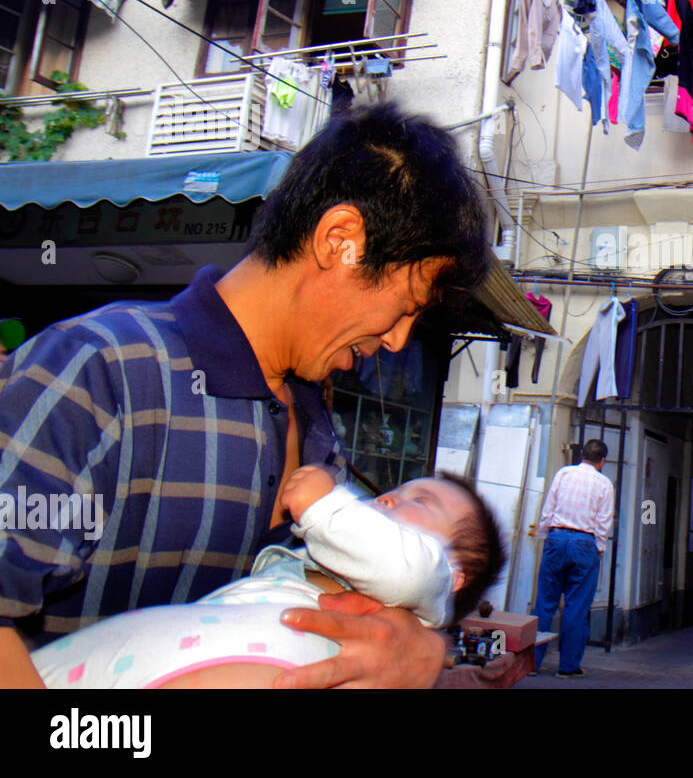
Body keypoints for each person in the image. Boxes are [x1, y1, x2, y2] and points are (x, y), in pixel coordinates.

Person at [0, 102, 491, 688]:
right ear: (341, 241)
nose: (396, 340)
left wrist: (423, 648)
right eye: (405, 307)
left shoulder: (316, 434)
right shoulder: (103, 369)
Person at [32, 467, 505, 688]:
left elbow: (407, 569)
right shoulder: (316, 561)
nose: (387, 499)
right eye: (395, 491)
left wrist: (324, 505)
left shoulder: (429, 571)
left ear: (455, 577)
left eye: (418, 502)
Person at [531, 439, 614, 677]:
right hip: (585, 542)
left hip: (557, 539)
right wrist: (598, 549)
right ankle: (568, 667)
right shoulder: (604, 484)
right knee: (576, 607)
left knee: (545, 603)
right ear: (602, 461)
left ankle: (532, 662)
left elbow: (548, 509)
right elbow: (603, 522)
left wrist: (545, 536)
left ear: (582, 455)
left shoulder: (564, 474)